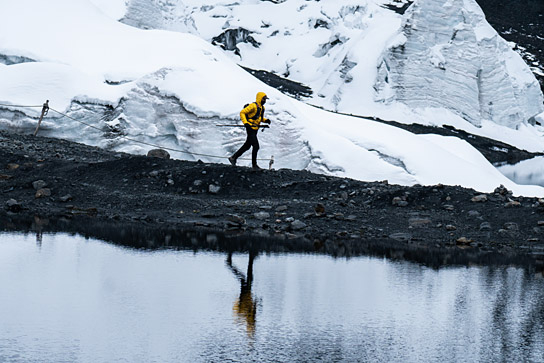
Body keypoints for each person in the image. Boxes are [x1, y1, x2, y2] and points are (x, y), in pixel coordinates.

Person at [229, 92, 271, 169]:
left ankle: (233, 158)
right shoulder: (253, 106)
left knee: (247, 145)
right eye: (264, 99)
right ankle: (254, 165)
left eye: (265, 99)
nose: (265, 101)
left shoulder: (262, 108)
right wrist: (245, 123)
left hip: (255, 129)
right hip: (250, 128)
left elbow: (259, 118)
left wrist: (265, 120)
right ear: (260, 98)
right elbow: (242, 112)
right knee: (256, 146)